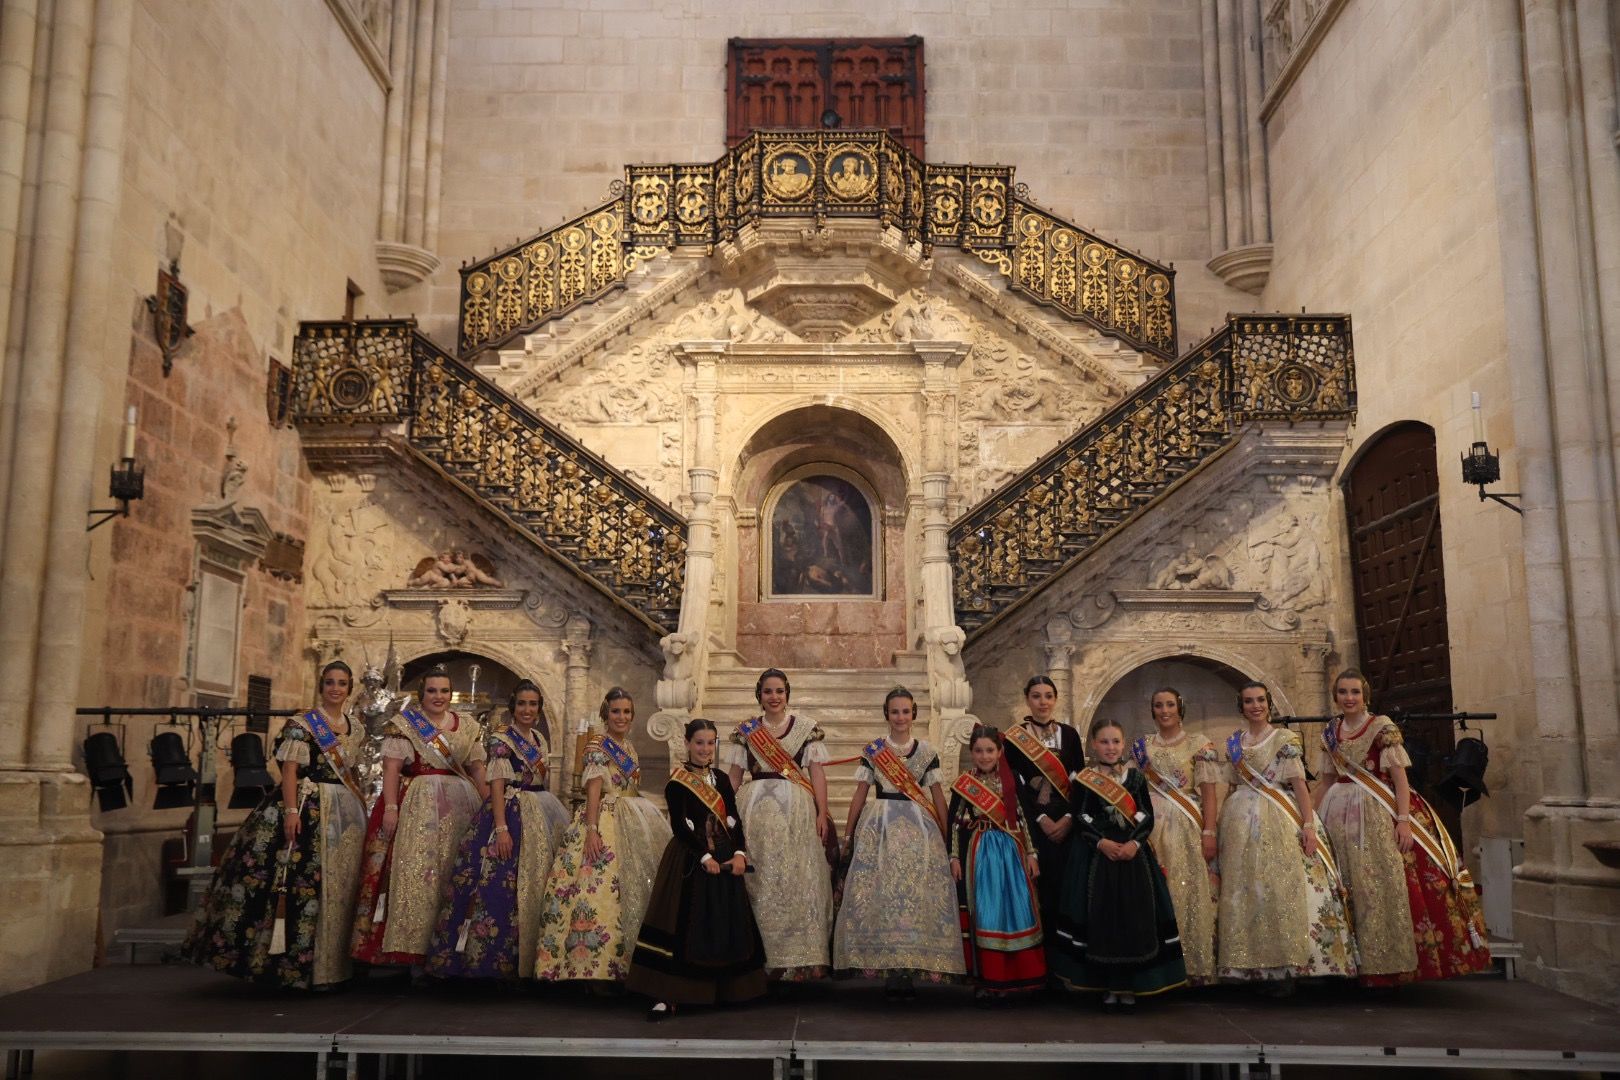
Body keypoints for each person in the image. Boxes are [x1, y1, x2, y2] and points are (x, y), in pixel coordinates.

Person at [185, 660, 368, 989]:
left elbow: (352, 772)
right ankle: (295, 967)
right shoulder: (302, 725)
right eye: (329, 682)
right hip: (307, 807)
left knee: (340, 887)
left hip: (344, 813)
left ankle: (335, 965)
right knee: (301, 884)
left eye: (342, 683)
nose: (335, 689)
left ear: (350, 688)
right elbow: (290, 772)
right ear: (321, 686)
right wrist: (290, 812)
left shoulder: (356, 726)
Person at [1314, 668, 1490, 986]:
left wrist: (1404, 821)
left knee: (1379, 883)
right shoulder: (1330, 731)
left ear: (1365, 695)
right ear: (1335, 696)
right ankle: (1348, 964)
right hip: (1337, 814)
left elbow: (1400, 781)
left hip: (1378, 812)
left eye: (1355, 692)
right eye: (1343, 692)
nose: (1349, 698)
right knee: (1343, 885)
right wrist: (1309, 820)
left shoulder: (1382, 727)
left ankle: (1388, 964)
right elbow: (1326, 781)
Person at [425, 679, 570, 980]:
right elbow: (497, 785)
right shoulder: (501, 740)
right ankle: (487, 963)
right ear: (513, 707)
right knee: (497, 885)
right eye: (522, 704)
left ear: (539, 709)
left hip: (538, 814)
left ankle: (527, 962)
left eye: (533, 705)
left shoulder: (540, 741)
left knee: (533, 887)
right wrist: (502, 829)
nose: (527, 710)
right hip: (507, 816)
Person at [1215, 681, 1356, 989]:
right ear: (1241, 707)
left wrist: (1308, 825)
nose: (1256, 705)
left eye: (1261, 700)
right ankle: (1249, 965)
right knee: (1246, 890)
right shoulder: (1234, 742)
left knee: (1281, 889)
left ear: (1269, 704)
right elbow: (1229, 785)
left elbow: (1299, 785)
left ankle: (1287, 966)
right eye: (1249, 700)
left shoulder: (1284, 738)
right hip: (1239, 820)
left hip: (1279, 817)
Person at [351, 666, 489, 971]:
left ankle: (449, 950)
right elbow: (391, 769)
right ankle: (412, 951)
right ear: (421, 694)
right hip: (419, 804)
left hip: (462, 807)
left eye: (444, 691)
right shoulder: (404, 724)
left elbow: (477, 768)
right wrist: (390, 808)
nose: (438, 697)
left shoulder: (466, 725)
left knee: (453, 873)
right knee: (419, 872)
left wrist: (488, 805)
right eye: (431, 691)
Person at [627, 719, 768, 1017]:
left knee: (723, 923)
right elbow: (679, 826)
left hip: (726, 859)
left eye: (710, 743)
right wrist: (705, 857)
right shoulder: (677, 781)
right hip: (691, 859)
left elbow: (734, 819)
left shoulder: (720, 777)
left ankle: (725, 991)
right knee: (683, 925)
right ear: (688, 744)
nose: (705, 749)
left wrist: (740, 854)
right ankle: (671, 994)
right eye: (699, 743)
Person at [832, 687, 965, 997]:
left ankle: (911, 966)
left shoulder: (928, 752)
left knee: (916, 897)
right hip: (880, 828)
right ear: (887, 714)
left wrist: (948, 840)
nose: (901, 717)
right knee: (883, 897)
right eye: (895, 712)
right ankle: (890, 968)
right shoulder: (873, 750)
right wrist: (848, 836)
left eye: (906, 711)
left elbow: (937, 799)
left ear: (914, 713)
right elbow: (860, 795)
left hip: (920, 830)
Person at [533, 687, 672, 984]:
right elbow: (594, 791)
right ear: (605, 714)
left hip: (630, 817)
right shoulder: (599, 745)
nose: (621, 717)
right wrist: (592, 831)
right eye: (616, 711)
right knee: (594, 890)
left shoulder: (629, 746)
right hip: (603, 819)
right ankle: (589, 969)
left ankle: (624, 964)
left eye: (626, 712)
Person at [1051, 717, 1187, 1008]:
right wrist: (1101, 842)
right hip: (1097, 859)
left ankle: (1132, 986)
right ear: (1093, 745)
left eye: (1115, 741)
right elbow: (1080, 816)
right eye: (1104, 741)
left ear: (1123, 744)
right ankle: (1108, 985)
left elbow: (1146, 816)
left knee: (1134, 920)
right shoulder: (1085, 779)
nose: (1110, 747)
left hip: (1132, 860)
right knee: (1102, 921)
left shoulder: (1136, 779)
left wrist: (1134, 844)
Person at [720, 668, 835, 981]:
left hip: (795, 810)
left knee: (798, 876)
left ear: (787, 694)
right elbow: (733, 775)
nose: (774, 697)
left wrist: (821, 812)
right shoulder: (746, 731)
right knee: (759, 879)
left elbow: (817, 773)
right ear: (759, 695)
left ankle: (800, 959)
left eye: (779, 691)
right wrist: (723, 810)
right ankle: (759, 960)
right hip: (753, 810)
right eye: (768, 691)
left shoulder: (806, 729)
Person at [947, 725, 1046, 1002]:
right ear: (971, 753)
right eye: (978, 751)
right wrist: (954, 856)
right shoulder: (965, 782)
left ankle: (1020, 979)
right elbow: (954, 823)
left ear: (999, 752)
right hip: (980, 853)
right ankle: (989, 979)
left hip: (1012, 854)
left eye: (990, 750)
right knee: (987, 914)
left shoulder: (1011, 779)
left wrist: (1032, 854)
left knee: (1017, 912)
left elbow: (1024, 818)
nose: (984, 756)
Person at [1131, 687, 1222, 984]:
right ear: (1152, 710)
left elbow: (1209, 791)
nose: (1164, 710)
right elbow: (1132, 790)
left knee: (1188, 892)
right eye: (1159, 705)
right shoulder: (1142, 746)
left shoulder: (1199, 744)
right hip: (1151, 828)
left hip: (1186, 825)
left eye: (1170, 704)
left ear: (1180, 707)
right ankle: (1157, 966)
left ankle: (1192, 966)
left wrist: (1209, 830)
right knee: (1158, 892)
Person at [1003, 675, 1085, 955]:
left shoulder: (1070, 735)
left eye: (1048, 696)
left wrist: (1069, 819)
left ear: (1055, 699)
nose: (1043, 702)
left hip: (1066, 825)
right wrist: (1040, 819)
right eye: (1036, 696)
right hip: (1034, 823)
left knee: (1066, 892)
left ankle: (1066, 961)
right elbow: (1015, 787)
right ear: (1027, 699)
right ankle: (1040, 961)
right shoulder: (1015, 738)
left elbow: (1080, 783)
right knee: (1039, 894)